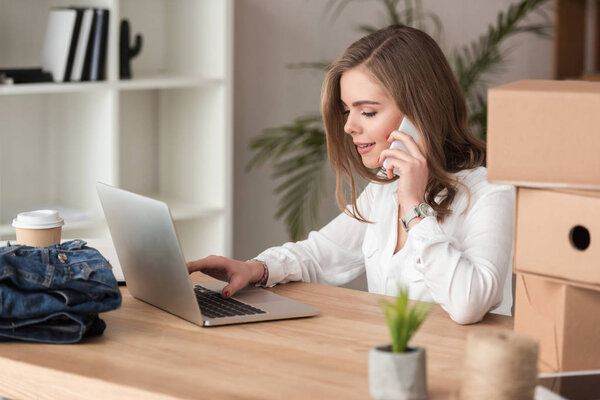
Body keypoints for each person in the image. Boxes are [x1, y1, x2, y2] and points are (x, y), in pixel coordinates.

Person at [187, 24, 515, 325]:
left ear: (420, 112)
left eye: (367, 111)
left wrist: (415, 207)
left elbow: (469, 304)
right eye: (347, 110)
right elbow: (318, 256)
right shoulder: (384, 192)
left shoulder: (489, 192)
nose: (349, 126)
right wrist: (255, 269)